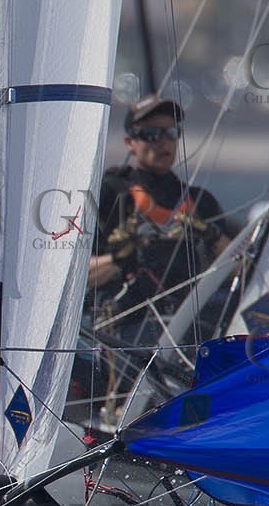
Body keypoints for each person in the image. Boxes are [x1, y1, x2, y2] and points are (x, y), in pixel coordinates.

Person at [86, 96, 233, 344]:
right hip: (123, 329)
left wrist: (210, 235)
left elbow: (242, 267)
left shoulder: (199, 201)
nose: (163, 142)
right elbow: (77, 277)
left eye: (171, 133)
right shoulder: (111, 193)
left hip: (187, 329)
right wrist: (120, 257)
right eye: (152, 134)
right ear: (130, 142)